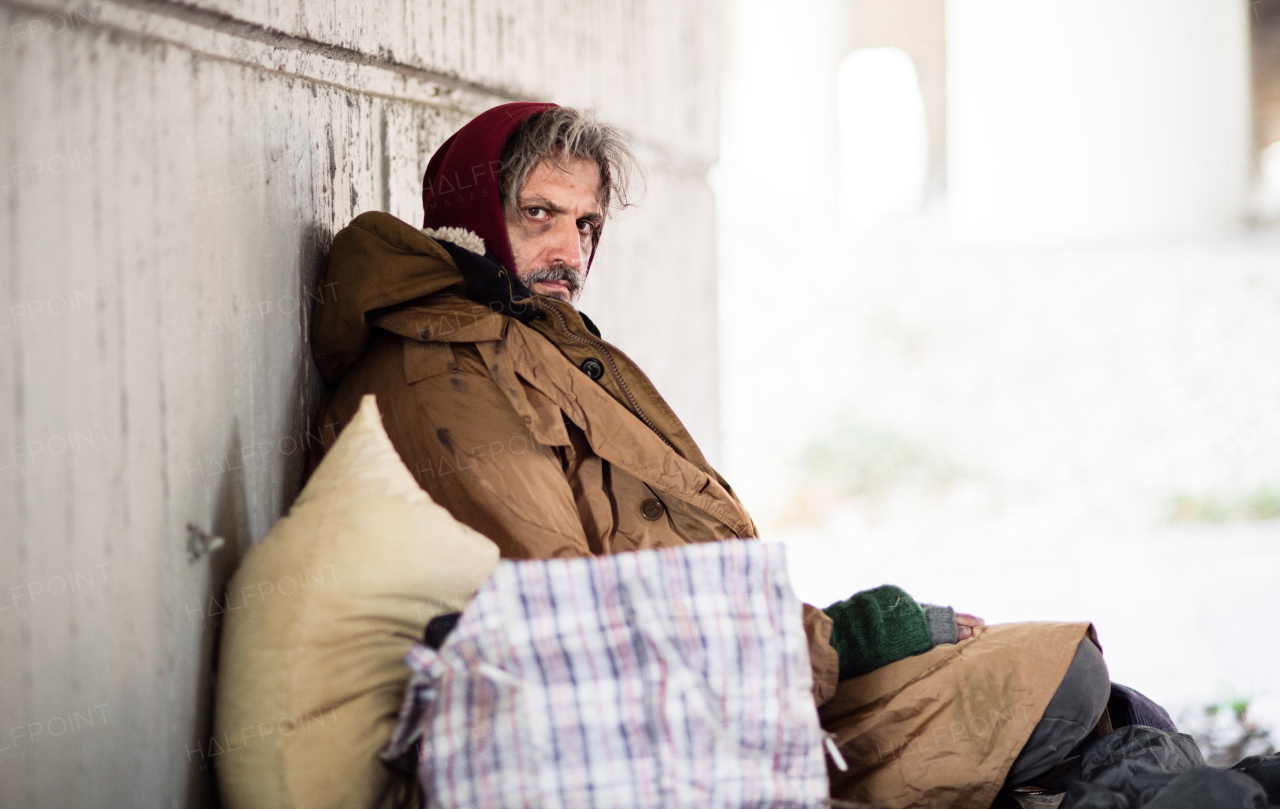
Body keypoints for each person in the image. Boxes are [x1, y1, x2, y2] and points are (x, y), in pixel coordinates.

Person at [305, 102, 1114, 806]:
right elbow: (571, 622)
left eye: (585, 224)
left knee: (1082, 690)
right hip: (647, 730)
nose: (570, 252)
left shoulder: (532, 340)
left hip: (721, 684)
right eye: (538, 214)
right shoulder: (442, 374)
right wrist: (841, 638)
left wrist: (822, 638)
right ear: (474, 214)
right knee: (1059, 692)